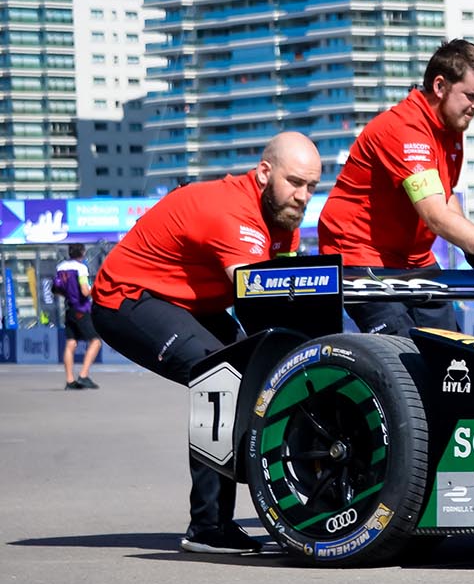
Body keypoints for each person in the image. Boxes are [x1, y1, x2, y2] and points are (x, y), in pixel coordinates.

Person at [91, 133, 324, 556]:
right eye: (294, 182)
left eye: (311, 186)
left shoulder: (283, 220)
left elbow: (285, 311)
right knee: (221, 380)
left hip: (191, 302)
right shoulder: (232, 214)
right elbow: (259, 302)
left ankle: (295, 499)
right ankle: (208, 527)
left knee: (273, 373)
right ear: (264, 172)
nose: (303, 195)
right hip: (127, 298)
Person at [317, 38, 474, 337]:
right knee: (406, 355)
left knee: (452, 352)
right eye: (471, 95)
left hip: (413, 258)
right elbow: (435, 216)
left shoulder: (450, 129)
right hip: (361, 255)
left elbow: (445, 195)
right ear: (440, 86)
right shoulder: (405, 129)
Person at [51, 243, 101, 389]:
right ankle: (84, 375)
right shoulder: (81, 268)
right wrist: (97, 290)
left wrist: (68, 295)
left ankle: (69, 380)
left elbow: (56, 289)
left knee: (71, 343)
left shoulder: (61, 267)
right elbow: (85, 291)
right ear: (82, 253)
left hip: (69, 308)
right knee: (95, 341)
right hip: (81, 308)